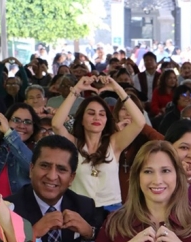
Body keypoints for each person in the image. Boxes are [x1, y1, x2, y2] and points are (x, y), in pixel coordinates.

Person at [52, 75, 145, 213]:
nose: (97, 117)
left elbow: (140, 122)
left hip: (111, 210)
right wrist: (76, 90)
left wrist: (118, 89)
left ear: (107, 120)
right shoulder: (73, 144)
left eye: (102, 114)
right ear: (82, 119)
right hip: (79, 209)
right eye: (91, 113)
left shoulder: (114, 143)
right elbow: (56, 124)